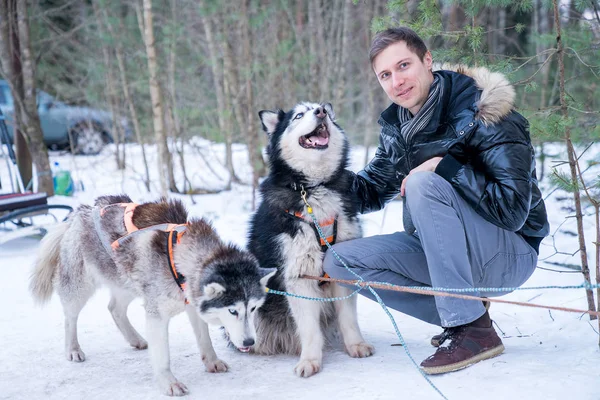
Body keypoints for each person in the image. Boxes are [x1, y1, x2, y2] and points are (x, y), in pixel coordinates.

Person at [323, 27, 549, 374]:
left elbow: (514, 210)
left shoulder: (484, 113)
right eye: (385, 74)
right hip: (442, 253)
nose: (396, 81)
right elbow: (368, 191)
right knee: (339, 262)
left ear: (427, 61)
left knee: (423, 183)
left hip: (510, 251)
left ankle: (470, 329)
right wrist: (317, 175)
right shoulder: (400, 128)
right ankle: (469, 314)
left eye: (403, 66)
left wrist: (446, 167)